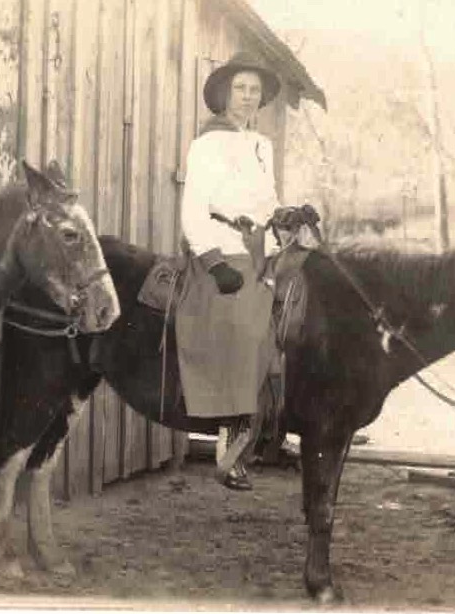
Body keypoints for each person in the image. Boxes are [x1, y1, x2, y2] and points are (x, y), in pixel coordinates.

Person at [178, 51, 283, 491]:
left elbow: (269, 202)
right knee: (246, 324)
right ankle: (233, 434)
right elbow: (193, 209)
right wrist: (213, 261)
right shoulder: (207, 144)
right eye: (239, 88)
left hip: (262, 247)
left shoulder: (262, 146)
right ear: (224, 93)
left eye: (254, 90)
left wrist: (288, 218)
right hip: (223, 246)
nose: (247, 97)